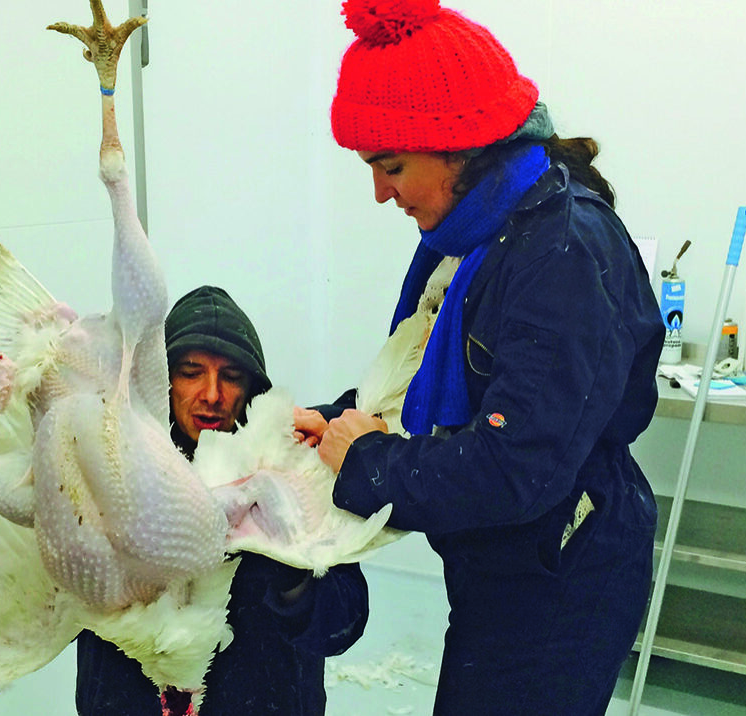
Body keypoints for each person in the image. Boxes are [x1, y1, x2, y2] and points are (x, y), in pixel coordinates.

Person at [294, 2, 664, 714]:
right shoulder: (480, 236)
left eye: (391, 166)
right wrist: (344, 419)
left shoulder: (559, 251)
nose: (380, 194)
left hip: (562, 575)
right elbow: (435, 372)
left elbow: (515, 464)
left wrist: (369, 461)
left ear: (458, 145)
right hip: (507, 563)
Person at [76, 285, 369, 715]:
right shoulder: (109, 473)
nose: (212, 394)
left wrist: (292, 577)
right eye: (191, 371)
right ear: (161, 377)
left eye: (231, 376)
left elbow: (344, 624)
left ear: (252, 386)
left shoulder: (293, 473)